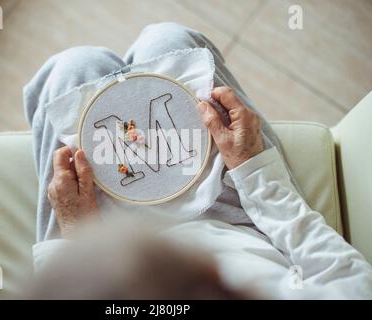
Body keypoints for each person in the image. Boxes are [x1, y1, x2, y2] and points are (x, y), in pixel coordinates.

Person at [25, 23, 372, 299]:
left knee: (74, 68)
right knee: (170, 41)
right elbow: (339, 272)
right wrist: (252, 168)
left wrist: (76, 234)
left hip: (106, 245)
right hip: (242, 221)